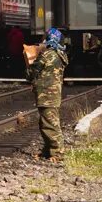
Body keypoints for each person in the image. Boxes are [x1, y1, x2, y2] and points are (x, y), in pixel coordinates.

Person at [26, 28, 69, 161]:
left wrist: (30, 61)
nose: (43, 40)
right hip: (53, 94)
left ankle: (58, 153)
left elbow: (32, 72)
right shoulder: (60, 54)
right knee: (45, 122)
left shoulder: (47, 55)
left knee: (50, 124)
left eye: (45, 37)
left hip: (46, 94)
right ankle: (48, 150)